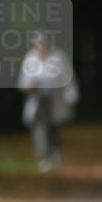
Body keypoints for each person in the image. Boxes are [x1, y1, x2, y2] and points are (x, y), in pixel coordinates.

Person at [18, 31, 79, 171]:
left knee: (55, 127)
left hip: (56, 99)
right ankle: (43, 157)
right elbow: (23, 81)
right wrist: (29, 85)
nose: (40, 45)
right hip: (37, 100)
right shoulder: (30, 58)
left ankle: (55, 152)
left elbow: (68, 78)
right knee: (39, 128)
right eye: (38, 42)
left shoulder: (59, 57)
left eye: (43, 42)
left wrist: (72, 96)